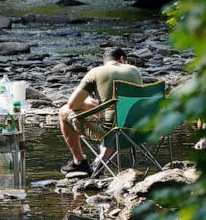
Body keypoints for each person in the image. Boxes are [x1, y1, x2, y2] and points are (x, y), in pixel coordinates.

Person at [58, 47, 143, 175]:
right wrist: (97, 105)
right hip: (138, 127)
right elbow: (123, 103)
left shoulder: (97, 72)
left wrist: (85, 102)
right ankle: (102, 160)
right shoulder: (135, 71)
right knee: (114, 115)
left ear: (106, 61)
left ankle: (80, 163)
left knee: (63, 112)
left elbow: (72, 105)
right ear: (122, 59)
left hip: (113, 129)